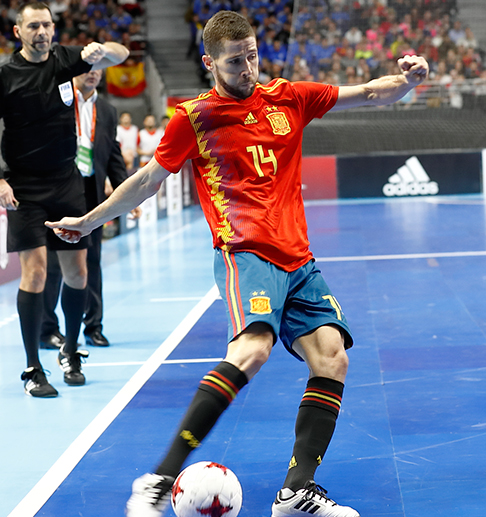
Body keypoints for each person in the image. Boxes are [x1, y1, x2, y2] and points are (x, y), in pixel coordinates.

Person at [48, 10, 428, 517]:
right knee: (253, 350)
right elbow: (146, 182)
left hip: (299, 258)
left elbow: (371, 93)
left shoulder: (288, 97)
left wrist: (408, 81)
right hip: (246, 251)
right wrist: (92, 221)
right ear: (210, 62)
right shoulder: (193, 117)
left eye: (252, 55)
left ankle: (296, 492)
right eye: (234, 60)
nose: (248, 67)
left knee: (333, 357)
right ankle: (158, 480)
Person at [0, 2, 129, 397]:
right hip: (23, 187)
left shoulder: (66, 60)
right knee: (35, 272)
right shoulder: (5, 76)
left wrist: (100, 50)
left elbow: (120, 54)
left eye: (48, 25)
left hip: (65, 182)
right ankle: (33, 368)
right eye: (34, 25)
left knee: (78, 274)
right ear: (18, 31)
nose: (42, 31)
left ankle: (71, 351)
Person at [40, 67, 138, 351]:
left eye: (98, 70)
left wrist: (127, 196)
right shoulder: (58, 102)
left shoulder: (107, 110)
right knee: (55, 264)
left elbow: (113, 155)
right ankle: (48, 329)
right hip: (58, 192)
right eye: (87, 69)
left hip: (91, 194)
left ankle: (93, 326)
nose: (93, 74)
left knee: (92, 262)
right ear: (72, 73)